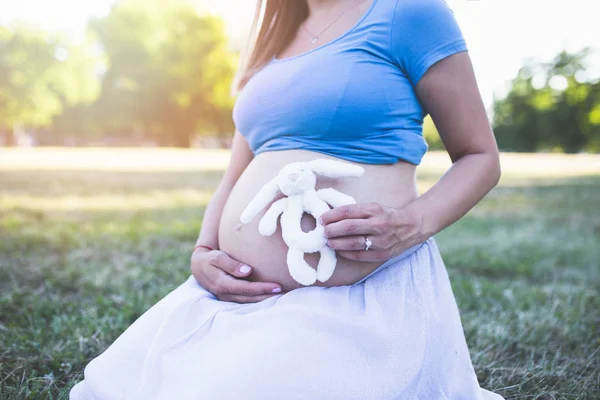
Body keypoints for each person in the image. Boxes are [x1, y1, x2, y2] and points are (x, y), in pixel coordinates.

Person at [70, 0, 505, 398]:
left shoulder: (411, 13)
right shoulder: (269, 42)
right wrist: (204, 252)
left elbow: (479, 157)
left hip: (358, 297)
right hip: (238, 300)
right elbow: (234, 177)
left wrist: (408, 225)